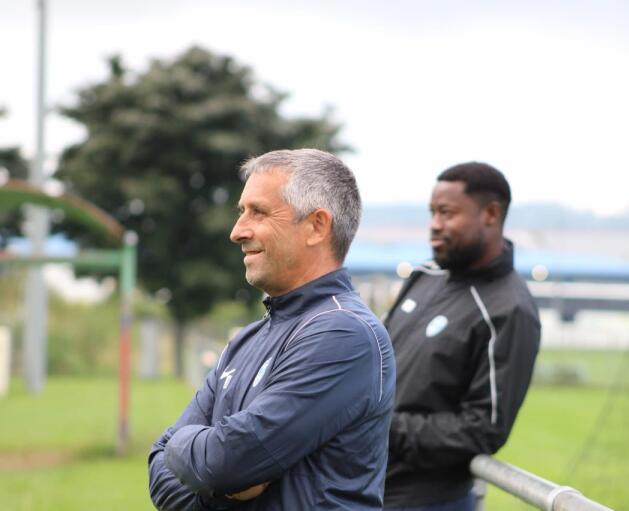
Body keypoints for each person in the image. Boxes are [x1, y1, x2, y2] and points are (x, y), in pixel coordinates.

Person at [148, 149, 396, 510]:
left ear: (317, 226)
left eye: (258, 212)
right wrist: (210, 471)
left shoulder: (344, 334)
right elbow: (160, 474)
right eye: (241, 212)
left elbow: (226, 463)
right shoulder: (247, 340)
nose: (237, 232)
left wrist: (187, 452)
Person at [383, 162, 540, 510]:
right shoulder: (426, 274)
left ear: (491, 214)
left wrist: (381, 425)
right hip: (361, 488)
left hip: (423, 501)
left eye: (447, 213)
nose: (435, 225)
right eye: (432, 212)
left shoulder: (509, 309)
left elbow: (483, 429)